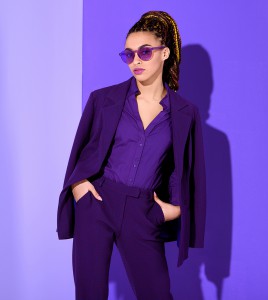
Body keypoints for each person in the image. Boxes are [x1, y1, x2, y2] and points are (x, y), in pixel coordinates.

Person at [56, 10, 206, 300]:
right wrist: (79, 187)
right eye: (129, 54)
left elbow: (182, 169)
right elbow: (82, 149)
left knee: (157, 294)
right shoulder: (104, 99)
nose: (136, 60)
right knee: (89, 294)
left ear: (165, 54)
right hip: (97, 202)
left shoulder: (185, 113)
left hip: (143, 209)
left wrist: (175, 208)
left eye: (145, 52)